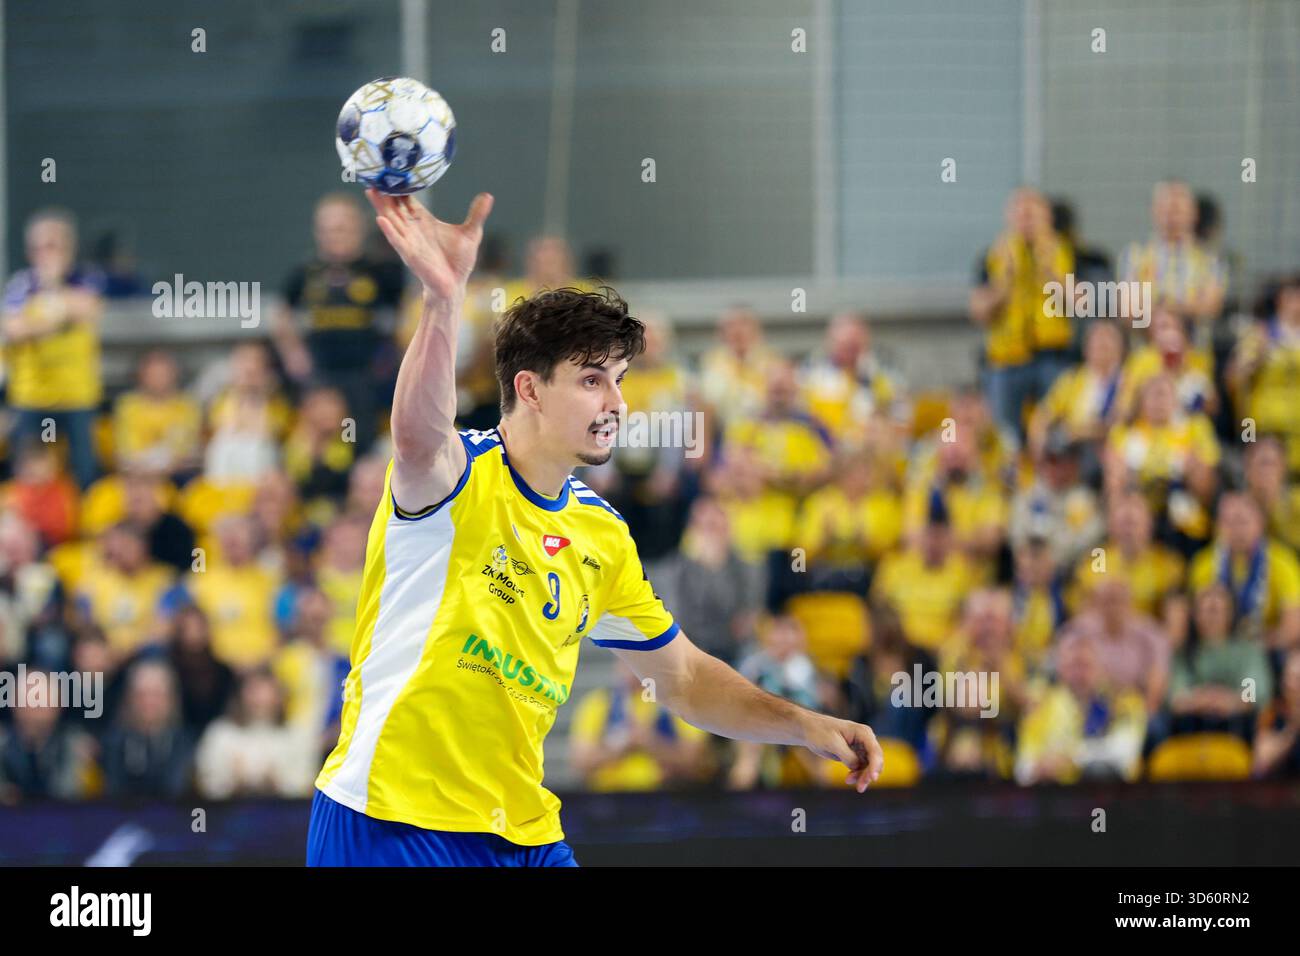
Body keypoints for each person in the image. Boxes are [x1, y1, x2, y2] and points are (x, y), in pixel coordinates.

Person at [306, 189, 884, 868]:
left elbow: (685, 679)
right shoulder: (453, 473)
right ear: (529, 389)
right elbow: (414, 433)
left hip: (522, 833)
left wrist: (803, 724)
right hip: (389, 820)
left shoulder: (602, 533)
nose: (615, 402)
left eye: (618, 380)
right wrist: (442, 298)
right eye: (591, 380)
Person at [2, 209, 106, 490]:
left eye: (52, 245)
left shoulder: (86, 278)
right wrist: (58, 316)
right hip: (31, 397)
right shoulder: (20, 284)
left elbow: (88, 309)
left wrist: (49, 294)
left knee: (83, 475)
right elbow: (12, 329)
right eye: (38, 247)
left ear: (68, 247)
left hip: (76, 397)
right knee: (25, 474)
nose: (44, 254)